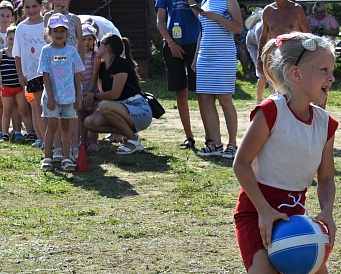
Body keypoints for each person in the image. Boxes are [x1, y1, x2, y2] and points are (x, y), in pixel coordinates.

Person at [220, 32, 340, 274]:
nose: (330, 77)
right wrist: (265, 211)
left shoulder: (324, 123)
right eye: (323, 69)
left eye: (332, 70)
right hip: (258, 213)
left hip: (297, 221)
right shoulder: (270, 112)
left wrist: (327, 212)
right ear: (295, 73)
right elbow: (240, 165)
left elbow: (325, 177)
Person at [83, 33, 152, 154]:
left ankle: (133, 140)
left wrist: (93, 96)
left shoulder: (121, 64)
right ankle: (130, 135)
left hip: (139, 110)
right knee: (90, 122)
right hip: (121, 109)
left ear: (107, 47)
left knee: (103, 106)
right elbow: (102, 89)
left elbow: (114, 94)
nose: (97, 47)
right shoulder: (103, 67)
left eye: (99, 44)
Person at [193, 0, 243, 158]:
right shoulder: (205, 2)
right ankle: (215, 143)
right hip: (205, 56)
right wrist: (196, 57)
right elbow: (203, 31)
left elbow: (238, 28)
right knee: (206, 99)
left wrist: (217, 17)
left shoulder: (230, 1)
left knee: (225, 99)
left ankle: (233, 144)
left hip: (224, 56)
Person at [38, 13, 83, 171]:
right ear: (49, 33)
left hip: (69, 97)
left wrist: (79, 96)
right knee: (52, 127)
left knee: (65, 127)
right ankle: (47, 158)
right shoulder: (46, 51)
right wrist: (50, 96)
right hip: (52, 99)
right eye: (55, 31)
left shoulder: (71, 51)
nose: (59, 34)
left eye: (62, 31)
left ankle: (66, 157)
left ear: (67, 33)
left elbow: (77, 73)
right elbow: (46, 74)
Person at [156, 0, 201, 149]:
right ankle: (189, 137)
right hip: (172, 44)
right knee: (181, 91)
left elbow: (201, 16)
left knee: (201, 92)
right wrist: (171, 43)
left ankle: (210, 138)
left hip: (194, 43)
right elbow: (160, 23)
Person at [12, 0, 46, 147]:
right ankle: (41, 137)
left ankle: (53, 137)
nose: (31, 10)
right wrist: (20, 74)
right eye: (27, 7)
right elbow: (17, 53)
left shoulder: (48, 23)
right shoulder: (21, 27)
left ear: (41, 6)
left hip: (50, 71)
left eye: (34, 6)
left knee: (50, 105)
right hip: (31, 73)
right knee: (36, 105)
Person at [1, 26, 35, 144]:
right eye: (10, 39)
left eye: (15, 40)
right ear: (6, 39)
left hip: (19, 87)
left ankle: (30, 132)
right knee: (6, 111)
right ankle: (5, 133)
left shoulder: (21, 55)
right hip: (6, 87)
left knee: (23, 110)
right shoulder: (2, 54)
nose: (12, 42)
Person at [256, 0, 308, 77]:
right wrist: (260, 59)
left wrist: (307, 56)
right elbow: (264, 36)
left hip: (293, 54)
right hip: (274, 54)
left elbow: (307, 34)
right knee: (274, 84)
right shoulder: (268, 10)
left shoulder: (297, 9)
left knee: (292, 82)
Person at [78, 23, 100, 152]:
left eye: (89, 39)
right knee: (81, 117)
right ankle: (83, 141)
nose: (86, 42)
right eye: (84, 39)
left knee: (92, 117)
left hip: (91, 90)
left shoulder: (95, 56)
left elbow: (94, 75)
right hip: (79, 90)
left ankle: (94, 142)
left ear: (94, 40)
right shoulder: (76, 54)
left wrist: (90, 92)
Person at [244, 9, 266, 103]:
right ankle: (259, 101)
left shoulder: (278, 25)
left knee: (272, 72)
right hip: (253, 44)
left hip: (265, 44)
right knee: (262, 73)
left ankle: (276, 98)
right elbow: (261, 48)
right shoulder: (260, 28)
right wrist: (260, 63)